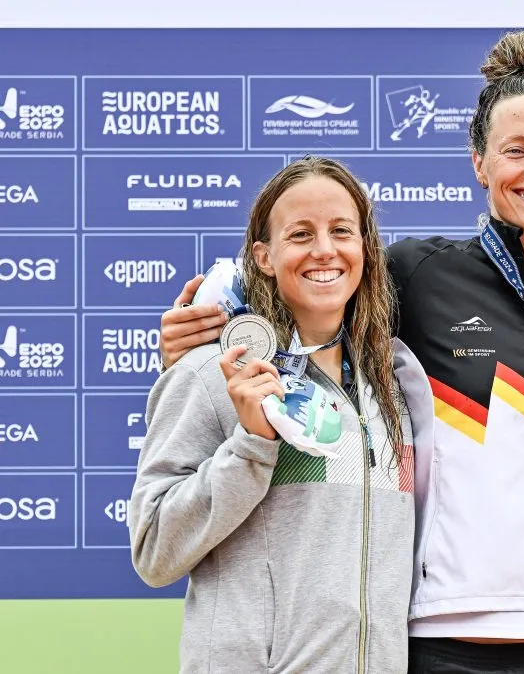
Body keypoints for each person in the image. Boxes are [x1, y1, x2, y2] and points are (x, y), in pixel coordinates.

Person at [158, 31, 524, 673]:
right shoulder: (419, 274)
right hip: (445, 638)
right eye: (515, 150)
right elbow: (308, 278)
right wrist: (207, 312)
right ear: (479, 162)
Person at [129, 156, 433, 673]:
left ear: (365, 249)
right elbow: (155, 549)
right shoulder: (213, 373)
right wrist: (250, 446)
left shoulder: (394, 387)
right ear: (264, 256)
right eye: (300, 234)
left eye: (342, 231)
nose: (324, 250)